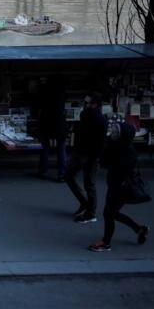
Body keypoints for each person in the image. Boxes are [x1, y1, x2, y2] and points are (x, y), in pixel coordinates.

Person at [89, 119, 149, 252]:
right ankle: (139, 229)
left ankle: (106, 242)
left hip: (120, 187)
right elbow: (105, 161)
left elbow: (112, 165)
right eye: (113, 130)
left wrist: (108, 148)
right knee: (112, 213)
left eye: (116, 131)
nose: (113, 133)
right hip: (116, 185)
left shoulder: (127, 152)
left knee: (108, 213)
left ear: (123, 135)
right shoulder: (118, 146)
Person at [64, 92, 107, 224]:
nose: (85, 105)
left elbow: (100, 142)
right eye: (85, 102)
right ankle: (86, 204)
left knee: (89, 184)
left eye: (88, 103)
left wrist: (94, 158)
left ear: (95, 104)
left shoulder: (99, 119)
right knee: (69, 177)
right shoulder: (86, 115)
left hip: (90, 155)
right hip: (80, 152)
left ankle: (91, 212)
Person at [35, 75, 68, 182]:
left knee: (45, 148)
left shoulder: (44, 90)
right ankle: (62, 174)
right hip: (60, 123)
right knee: (61, 149)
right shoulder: (62, 91)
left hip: (46, 123)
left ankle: (43, 171)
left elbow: (38, 104)